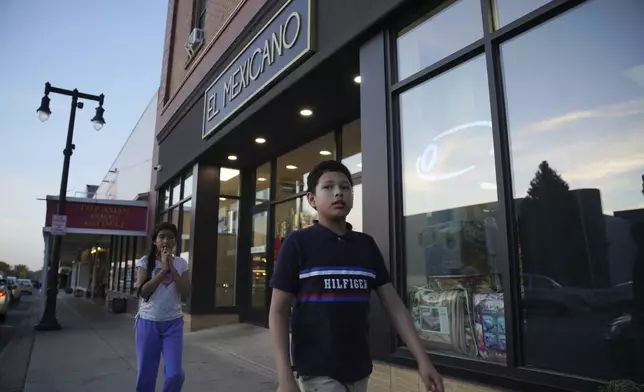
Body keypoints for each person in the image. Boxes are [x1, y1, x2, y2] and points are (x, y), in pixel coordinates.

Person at [269, 160, 444, 392]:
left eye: (345, 187)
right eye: (329, 187)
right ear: (312, 200)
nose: (339, 192)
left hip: (360, 369)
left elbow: (394, 306)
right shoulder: (298, 244)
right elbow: (278, 311)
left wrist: (423, 360)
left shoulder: (366, 245)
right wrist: (285, 377)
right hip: (318, 372)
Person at [134, 222, 191, 392]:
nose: (166, 241)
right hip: (147, 322)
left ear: (175, 242)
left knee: (174, 374)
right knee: (146, 373)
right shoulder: (145, 262)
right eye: (162, 237)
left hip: (173, 324)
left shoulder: (181, 264)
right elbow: (143, 292)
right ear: (155, 241)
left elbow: (186, 292)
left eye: (170, 237)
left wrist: (171, 268)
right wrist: (162, 270)